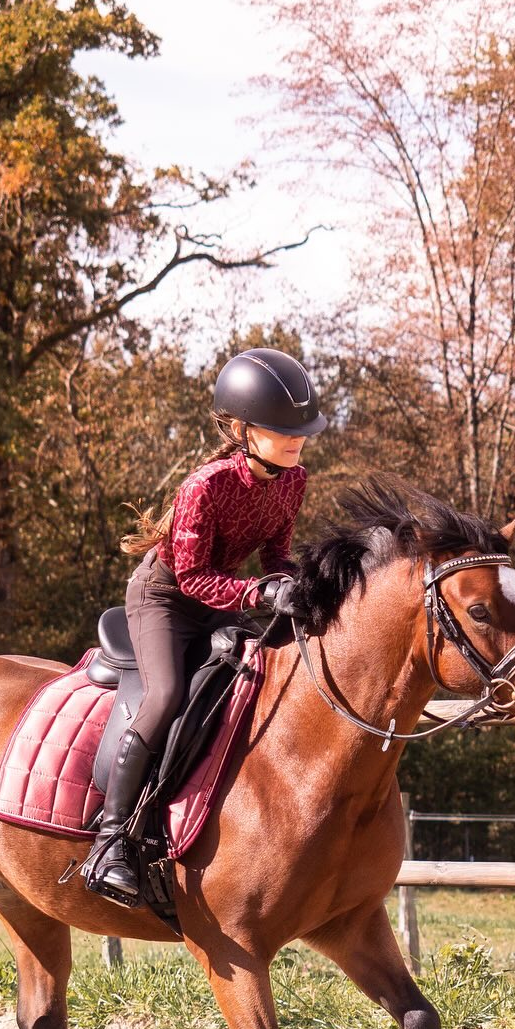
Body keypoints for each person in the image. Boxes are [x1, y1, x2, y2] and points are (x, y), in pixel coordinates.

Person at [85, 347, 328, 905]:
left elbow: (275, 555)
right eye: (282, 430)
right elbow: (192, 576)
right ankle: (111, 838)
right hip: (164, 599)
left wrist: (295, 584)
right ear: (242, 429)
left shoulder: (293, 479)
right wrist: (256, 592)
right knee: (167, 693)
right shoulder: (205, 485)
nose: (298, 440)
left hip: (223, 596)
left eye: (302, 431)